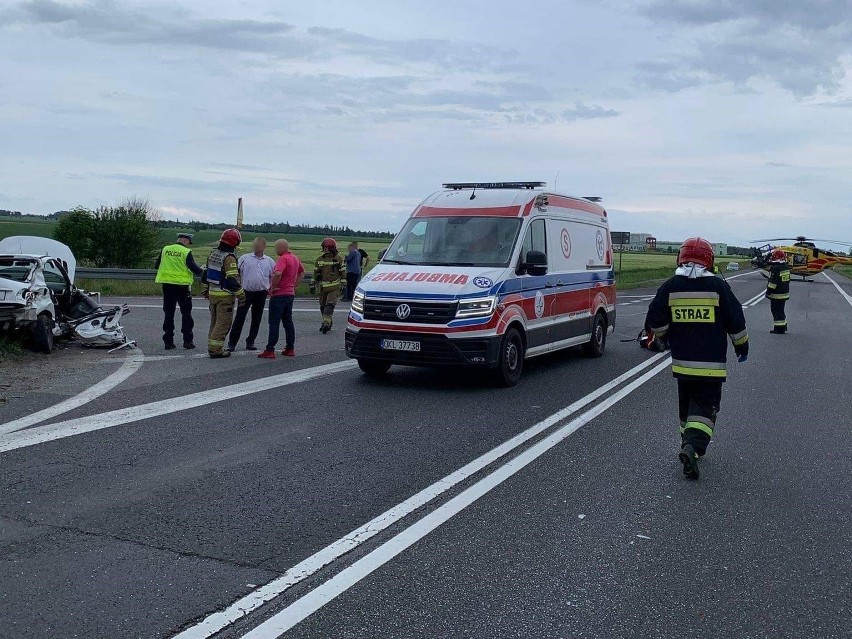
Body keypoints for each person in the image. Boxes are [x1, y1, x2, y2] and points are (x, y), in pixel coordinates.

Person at [645, 237, 749, 480]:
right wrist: (742, 347)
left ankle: (686, 440)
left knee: (686, 405)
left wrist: (663, 337)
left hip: (682, 364)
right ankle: (693, 446)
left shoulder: (670, 286)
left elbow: (655, 319)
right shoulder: (719, 287)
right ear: (709, 260)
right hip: (711, 366)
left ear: (680, 257)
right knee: (705, 407)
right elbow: (736, 321)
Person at [154, 232, 204, 350]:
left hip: (167, 286)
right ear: (186, 241)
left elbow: (157, 265)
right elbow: (194, 268)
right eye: (189, 243)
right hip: (182, 286)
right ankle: (188, 341)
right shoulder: (186, 252)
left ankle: (168, 342)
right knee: (186, 314)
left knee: (169, 313)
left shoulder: (165, 249)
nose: (189, 245)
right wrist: (202, 271)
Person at [259, 239, 305, 359]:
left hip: (279, 294)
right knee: (288, 322)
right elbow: (302, 272)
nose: (275, 249)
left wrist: (272, 288)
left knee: (274, 323)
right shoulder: (294, 258)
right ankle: (290, 348)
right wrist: (294, 285)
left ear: (281, 248)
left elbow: (277, 273)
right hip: (290, 294)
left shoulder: (283, 259)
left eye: (276, 247)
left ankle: (270, 349)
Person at [204, 228, 246, 358]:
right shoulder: (229, 258)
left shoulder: (213, 254)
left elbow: (205, 274)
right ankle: (216, 350)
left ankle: (212, 347)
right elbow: (232, 280)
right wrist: (241, 295)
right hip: (224, 296)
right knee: (223, 324)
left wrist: (207, 289)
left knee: (214, 322)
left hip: (213, 294)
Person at [227, 237, 275, 351]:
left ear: (264, 247)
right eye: (254, 246)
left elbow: (273, 276)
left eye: (258, 246)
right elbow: (235, 273)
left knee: (256, 318)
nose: (256, 248)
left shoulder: (270, 261)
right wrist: (237, 285)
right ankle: (232, 343)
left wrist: (271, 288)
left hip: (261, 293)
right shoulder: (245, 258)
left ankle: (251, 341)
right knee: (240, 317)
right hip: (246, 292)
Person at [310, 238, 345, 334]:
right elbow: (315, 273)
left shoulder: (338, 259)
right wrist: (312, 284)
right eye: (324, 247)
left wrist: (344, 284)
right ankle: (328, 323)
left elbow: (343, 273)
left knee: (329, 305)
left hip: (334, 287)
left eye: (326, 248)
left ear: (332, 248)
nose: (325, 249)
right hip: (323, 288)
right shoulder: (320, 260)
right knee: (322, 306)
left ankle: (326, 323)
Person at [766, 248, 791, 334]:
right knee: (781, 311)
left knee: (776, 311)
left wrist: (768, 292)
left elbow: (773, 283)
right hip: (784, 294)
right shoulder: (785, 267)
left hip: (776, 294)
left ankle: (779, 329)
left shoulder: (775, 268)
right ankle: (783, 327)